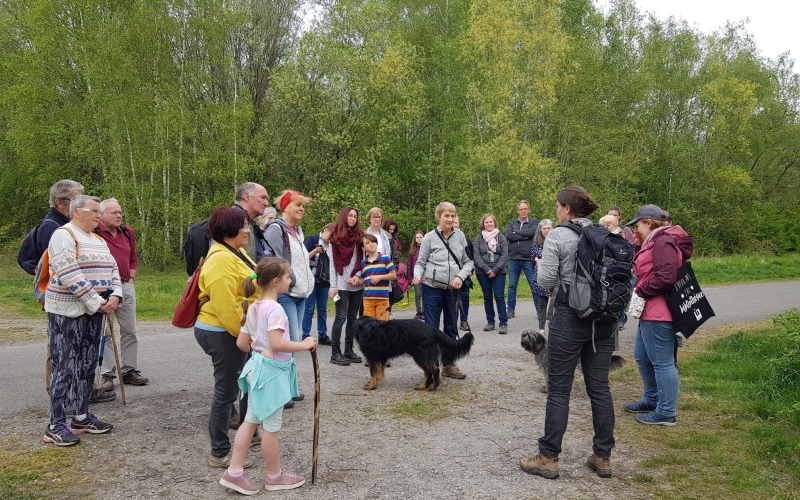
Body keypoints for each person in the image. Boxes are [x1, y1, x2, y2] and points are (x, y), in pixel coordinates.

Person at [520, 186, 616, 480]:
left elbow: (547, 279)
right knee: (599, 388)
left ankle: (548, 458)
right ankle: (602, 456)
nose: (557, 210)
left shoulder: (559, 235)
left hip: (569, 317)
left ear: (566, 209)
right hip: (604, 319)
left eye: (558, 206)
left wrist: (541, 270)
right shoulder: (609, 234)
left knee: (559, 389)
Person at [218, 257, 316, 494]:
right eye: (287, 276)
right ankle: (274, 476)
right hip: (271, 375)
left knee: (250, 420)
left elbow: (243, 343)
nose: (290, 280)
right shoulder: (276, 309)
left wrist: (260, 348)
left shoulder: (254, 307)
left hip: (257, 371)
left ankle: (234, 472)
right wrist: (304, 344)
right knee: (271, 427)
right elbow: (277, 343)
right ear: (275, 282)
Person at [42, 195, 122, 446]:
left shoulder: (97, 239)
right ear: (76, 211)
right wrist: (96, 301)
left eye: (100, 211)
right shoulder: (63, 235)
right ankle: (55, 424)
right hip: (67, 312)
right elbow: (67, 272)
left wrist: (116, 296)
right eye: (95, 211)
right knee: (64, 365)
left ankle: (81, 415)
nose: (100, 215)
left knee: (88, 365)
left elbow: (113, 269)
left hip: (93, 312)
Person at [194, 206, 260, 468]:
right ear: (230, 229)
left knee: (245, 384)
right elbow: (226, 309)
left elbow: (250, 281)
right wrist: (248, 338)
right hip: (223, 332)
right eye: (243, 225)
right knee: (227, 390)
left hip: (237, 330)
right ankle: (219, 452)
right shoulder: (220, 259)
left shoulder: (235, 250)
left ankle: (249, 433)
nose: (248, 230)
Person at [623, 204, 693, 427]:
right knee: (641, 356)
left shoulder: (663, 241)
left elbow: (666, 276)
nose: (637, 229)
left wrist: (641, 291)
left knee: (662, 363)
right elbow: (646, 268)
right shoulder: (654, 240)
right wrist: (637, 246)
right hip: (650, 310)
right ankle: (652, 398)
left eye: (639, 224)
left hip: (659, 312)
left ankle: (665, 412)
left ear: (649, 223)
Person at [263, 190, 313, 408]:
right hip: (287, 294)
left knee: (295, 338)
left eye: (303, 206)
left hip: (301, 293)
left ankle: (290, 390)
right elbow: (272, 258)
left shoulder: (297, 230)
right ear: (285, 207)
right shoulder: (276, 229)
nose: (301, 209)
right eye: (297, 205)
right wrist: (290, 279)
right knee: (287, 343)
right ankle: (282, 392)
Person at [412, 202, 474, 379]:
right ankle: (431, 366)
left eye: (453, 215)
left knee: (450, 327)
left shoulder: (461, 236)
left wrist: (459, 277)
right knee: (430, 328)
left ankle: (449, 364)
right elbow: (420, 263)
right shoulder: (429, 238)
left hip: (452, 290)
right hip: (431, 288)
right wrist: (417, 275)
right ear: (438, 217)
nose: (450, 219)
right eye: (446, 216)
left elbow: (468, 262)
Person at [96, 198, 149, 392]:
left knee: (130, 330)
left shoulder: (127, 231)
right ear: (101, 216)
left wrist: (132, 278)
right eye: (114, 213)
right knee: (105, 332)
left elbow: (133, 256)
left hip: (125, 285)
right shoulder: (94, 233)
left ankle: (129, 370)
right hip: (104, 288)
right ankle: (107, 374)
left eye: (120, 212)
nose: (119, 216)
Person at [327, 207, 365, 366]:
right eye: (350, 215)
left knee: (352, 318)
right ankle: (335, 353)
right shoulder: (334, 238)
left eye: (355, 216)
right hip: (340, 286)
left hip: (356, 284)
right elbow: (332, 265)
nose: (353, 218)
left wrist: (358, 276)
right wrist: (333, 286)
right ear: (344, 217)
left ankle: (349, 350)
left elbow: (364, 260)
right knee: (340, 317)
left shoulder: (360, 237)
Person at [472, 214, 509, 334]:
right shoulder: (479, 238)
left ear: (495, 223)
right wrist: (487, 269)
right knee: (487, 297)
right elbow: (476, 255)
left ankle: (503, 323)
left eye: (491, 222)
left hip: (499, 271)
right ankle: (490, 322)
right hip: (483, 272)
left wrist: (496, 269)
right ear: (483, 224)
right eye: (486, 222)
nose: (489, 224)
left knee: (499, 296)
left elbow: (504, 255)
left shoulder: (501, 237)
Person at [505, 200, 540, 318]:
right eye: (521, 209)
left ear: (529, 210)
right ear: (517, 211)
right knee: (512, 285)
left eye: (525, 209)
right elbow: (508, 235)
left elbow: (533, 232)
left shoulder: (535, 223)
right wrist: (526, 236)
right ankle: (510, 310)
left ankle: (539, 309)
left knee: (533, 284)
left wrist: (518, 233)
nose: (523, 211)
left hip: (528, 259)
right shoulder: (511, 223)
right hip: (513, 258)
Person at [302, 223, 333, 346]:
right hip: (311, 278)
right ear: (325, 229)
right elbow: (302, 257)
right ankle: (305, 335)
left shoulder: (333, 244)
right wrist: (315, 251)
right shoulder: (313, 239)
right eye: (331, 232)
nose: (332, 236)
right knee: (309, 309)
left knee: (322, 309)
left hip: (325, 280)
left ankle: (322, 335)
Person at [360, 234, 397, 321]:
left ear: (377, 244)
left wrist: (380, 277)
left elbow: (393, 275)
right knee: (368, 325)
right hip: (367, 299)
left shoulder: (385, 259)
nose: (371, 244)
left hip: (382, 299)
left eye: (373, 242)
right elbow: (364, 279)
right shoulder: (363, 263)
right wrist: (356, 280)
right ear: (363, 248)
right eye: (368, 243)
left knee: (382, 325)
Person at [530, 219, 554, 334]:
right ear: (540, 230)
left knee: (556, 305)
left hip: (554, 277)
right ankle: (542, 329)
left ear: (553, 228)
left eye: (548, 228)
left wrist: (541, 261)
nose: (546, 230)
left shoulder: (556, 242)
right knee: (541, 305)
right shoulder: (536, 243)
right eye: (544, 228)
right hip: (540, 277)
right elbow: (532, 261)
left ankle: (555, 328)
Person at [453, 215, 473, 331]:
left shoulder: (465, 238)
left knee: (464, 298)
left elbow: (471, 255)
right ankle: (453, 322)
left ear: (459, 223)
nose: (454, 224)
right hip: (451, 274)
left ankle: (464, 321)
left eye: (456, 222)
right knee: (452, 300)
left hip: (464, 274)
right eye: (453, 222)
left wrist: (471, 270)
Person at [407, 230, 425, 320]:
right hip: (415, 276)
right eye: (417, 237)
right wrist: (409, 278)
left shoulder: (427, 248)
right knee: (418, 294)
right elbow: (409, 264)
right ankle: (419, 312)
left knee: (425, 294)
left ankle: (425, 312)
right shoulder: (412, 251)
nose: (419, 239)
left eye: (420, 237)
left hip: (425, 276)